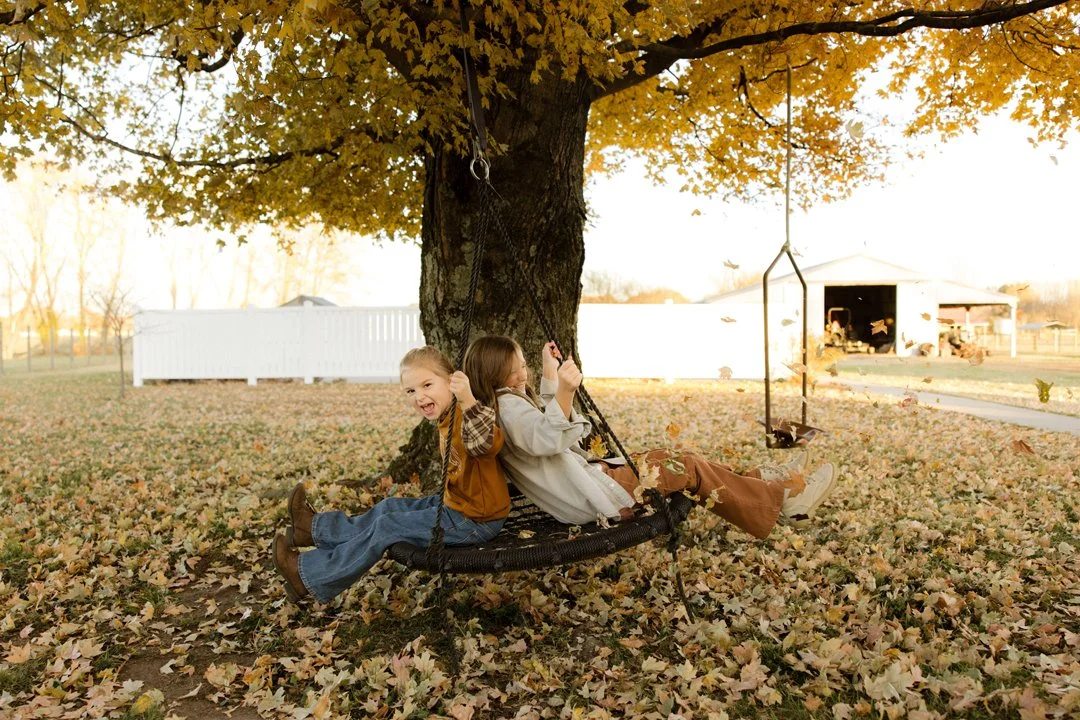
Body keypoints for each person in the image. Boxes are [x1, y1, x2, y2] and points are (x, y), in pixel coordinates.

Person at [463, 335, 837, 540]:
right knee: (686, 465)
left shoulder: (503, 404)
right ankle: (780, 501)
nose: (523, 374)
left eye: (524, 367)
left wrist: (548, 376)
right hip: (595, 495)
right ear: (500, 374)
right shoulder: (509, 410)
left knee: (677, 457)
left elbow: (540, 427)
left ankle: (775, 483)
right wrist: (564, 389)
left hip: (588, 484)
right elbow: (546, 436)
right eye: (519, 370)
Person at [270, 346, 509, 603]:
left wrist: (468, 399)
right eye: (411, 391)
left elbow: (486, 444)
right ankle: (312, 530)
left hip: (477, 520)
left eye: (427, 385)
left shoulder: (467, 415)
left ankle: (307, 575)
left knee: (387, 527)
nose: (419, 396)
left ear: (452, 380)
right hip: (458, 504)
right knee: (388, 508)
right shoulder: (447, 416)